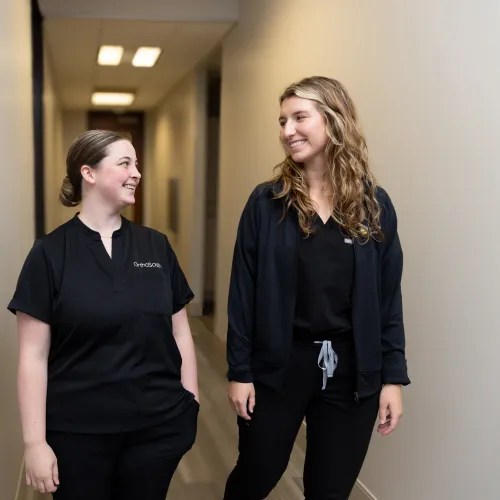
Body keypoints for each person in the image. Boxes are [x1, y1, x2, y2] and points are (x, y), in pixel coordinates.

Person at [223, 76, 411, 500]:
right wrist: (240, 371)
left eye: (299, 117)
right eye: (283, 120)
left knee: (329, 489)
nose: (287, 130)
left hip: (350, 370)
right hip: (278, 365)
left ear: (334, 120)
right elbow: (243, 293)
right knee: (257, 474)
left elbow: (388, 300)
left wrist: (392, 379)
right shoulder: (266, 203)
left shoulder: (373, 205)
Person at [8, 130, 199, 500]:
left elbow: (180, 333)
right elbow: (33, 356)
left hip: (157, 428)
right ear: (89, 174)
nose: (137, 173)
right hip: (77, 436)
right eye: (125, 163)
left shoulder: (156, 245)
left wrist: (190, 403)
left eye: (137, 164)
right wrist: (34, 442)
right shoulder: (49, 254)